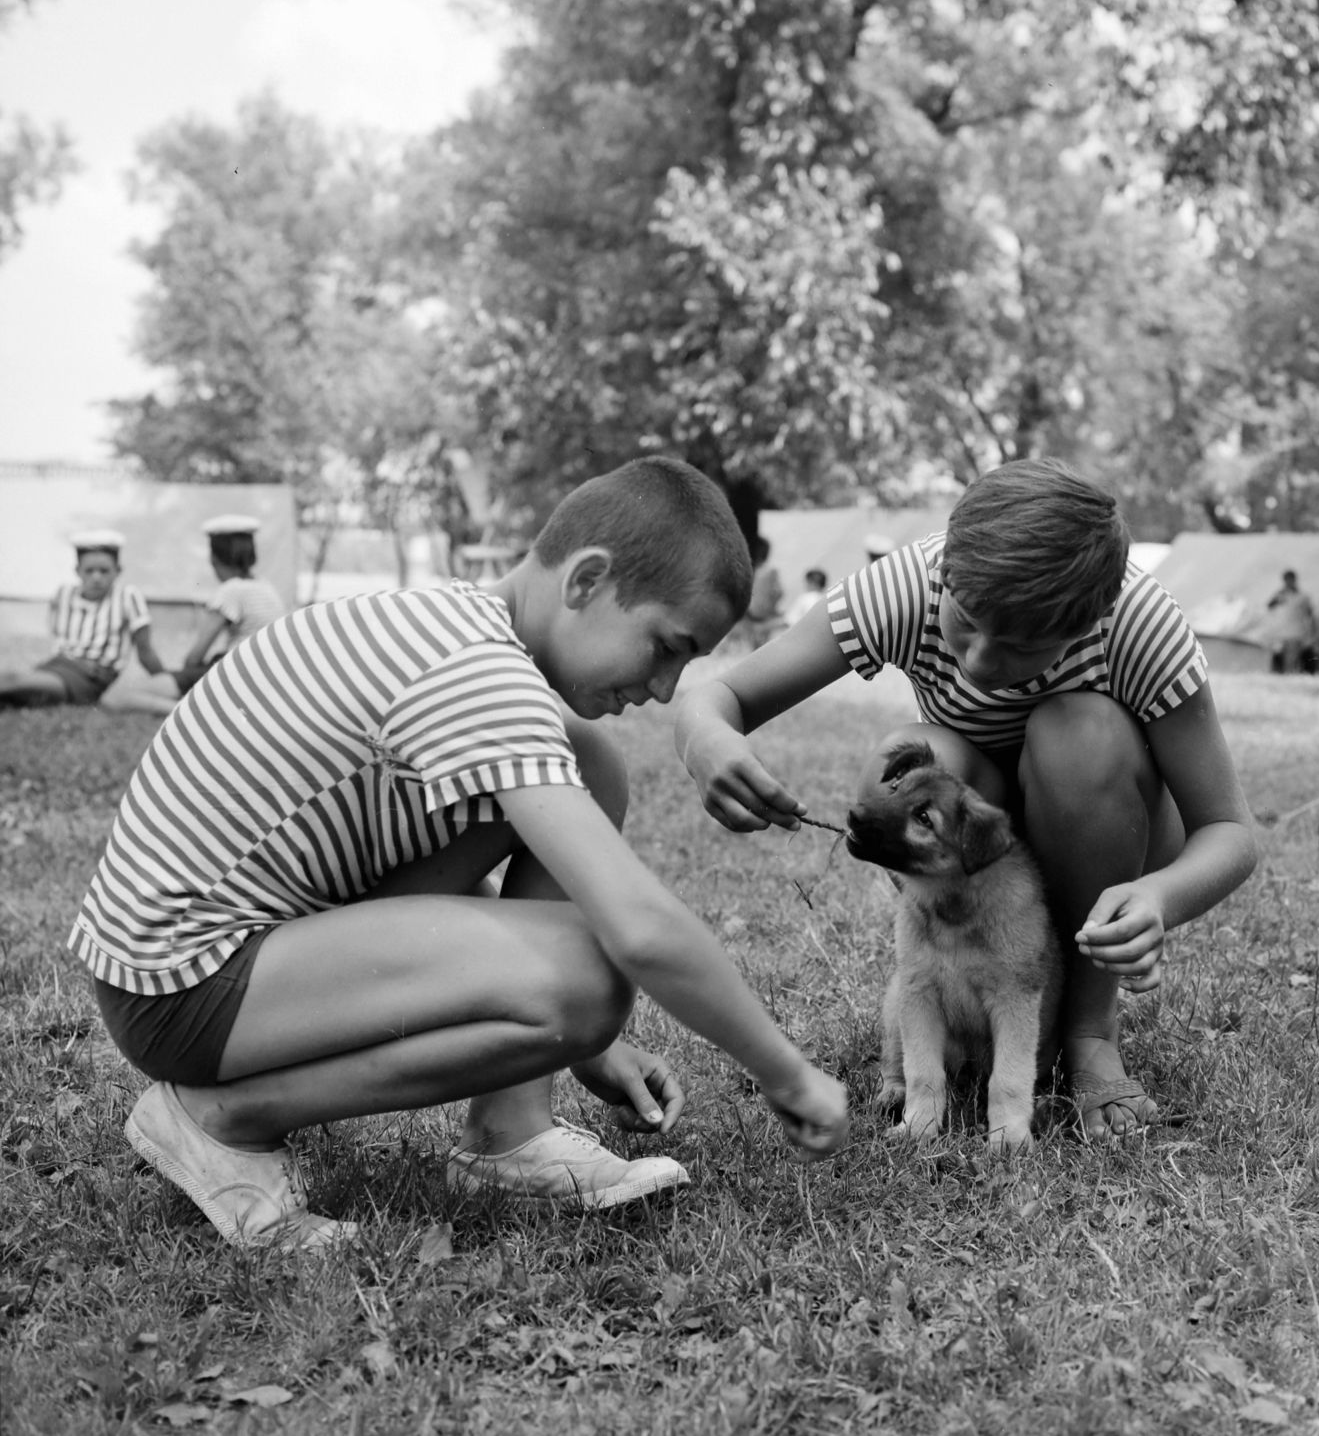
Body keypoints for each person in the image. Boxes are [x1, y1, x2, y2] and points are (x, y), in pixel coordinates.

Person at [70, 457, 848, 1251]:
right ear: (586, 580)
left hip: (220, 956)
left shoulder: (457, 626)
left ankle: (511, 1131)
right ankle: (221, 1119)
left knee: (590, 764)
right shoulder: (479, 674)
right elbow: (639, 927)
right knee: (589, 973)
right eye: (665, 646)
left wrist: (583, 1041)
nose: (665, 688)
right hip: (183, 987)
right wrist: (787, 1072)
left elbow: (415, 881)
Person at [675, 460, 1258, 1143]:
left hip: (1102, 821)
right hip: (974, 827)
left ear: (1091, 622)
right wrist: (709, 741)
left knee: (1078, 734)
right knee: (896, 764)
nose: (978, 660)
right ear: (945, 572)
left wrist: (1160, 897)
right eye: (967, 621)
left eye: (1020, 647)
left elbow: (1230, 830)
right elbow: (720, 696)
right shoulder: (906, 585)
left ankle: (1089, 1031)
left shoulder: (1140, 624)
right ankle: (951, 992)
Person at [102, 514, 287, 716]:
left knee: (115, 698)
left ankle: (186, 713)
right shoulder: (265, 587)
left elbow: (195, 656)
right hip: (261, 673)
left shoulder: (231, 590)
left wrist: (181, 676)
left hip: (237, 671)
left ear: (214, 559)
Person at [0, 530, 166, 710]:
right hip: (56, 665)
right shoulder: (64, 594)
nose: (96, 577)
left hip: (91, 676)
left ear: (118, 571)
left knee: (13, 679)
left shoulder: (127, 596)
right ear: (77, 571)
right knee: (16, 690)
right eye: (89, 571)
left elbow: (145, 652)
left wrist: (168, 683)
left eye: (104, 571)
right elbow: (58, 635)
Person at [1264, 569, 1317, 674]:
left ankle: (1290, 676)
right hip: (1280, 633)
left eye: (1290, 580)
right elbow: (1269, 606)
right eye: (1286, 580)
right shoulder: (1280, 595)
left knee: (1291, 661)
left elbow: (1310, 615)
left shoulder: (1302, 597)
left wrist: (1312, 633)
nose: (1288, 583)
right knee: (1278, 660)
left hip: (1295, 633)